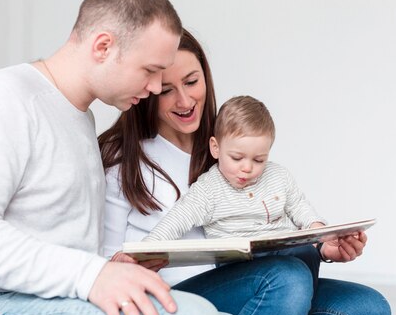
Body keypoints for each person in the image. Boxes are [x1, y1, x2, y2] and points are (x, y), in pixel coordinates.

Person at [0, 0, 244, 315]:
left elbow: (59, 249)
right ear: (103, 46)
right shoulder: (0, 97)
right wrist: (93, 274)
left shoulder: (79, 119)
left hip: (47, 300)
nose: (155, 88)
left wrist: (112, 268)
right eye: (151, 71)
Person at [100, 28, 392, 315]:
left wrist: (324, 247)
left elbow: (282, 204)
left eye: (191, 81)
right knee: (287, 279)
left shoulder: (230, 140)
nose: (185, 100)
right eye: (166, 90)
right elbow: (107, 260)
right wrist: (135, 263)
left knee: (367, 307)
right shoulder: (123, 158)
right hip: (176, 294)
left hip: (254, 275)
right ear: (147, 90)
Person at [138, 95, 325, 289]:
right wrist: (148, 248)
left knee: (306, 252)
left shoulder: (278, 175)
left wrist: (314, 224)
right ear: (216, 148)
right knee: (280, 270)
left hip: (282, 248)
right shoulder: (209, 188)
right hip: (239, 262)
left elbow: (298, 204)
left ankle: (307, 303)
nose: (247, 168)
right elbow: (178, 218)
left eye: (259, 160)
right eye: (237, 158)